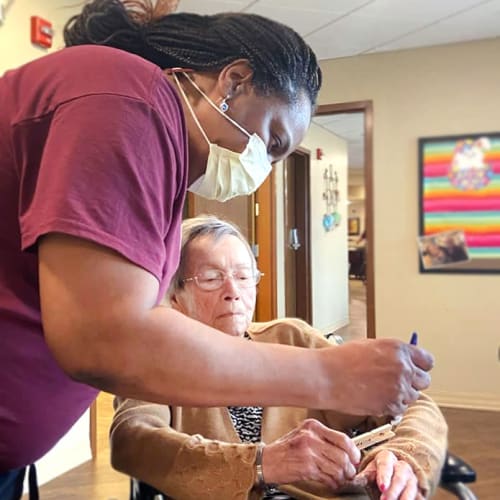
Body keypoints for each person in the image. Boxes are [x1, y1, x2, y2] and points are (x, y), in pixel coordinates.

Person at [0, 0, 434, 495]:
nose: (262, 170)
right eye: (271, 143)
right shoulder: (126, 97)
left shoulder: (155, 145)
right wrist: (330, 375)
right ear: (234, 81)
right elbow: (105, 336)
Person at [111, 215, 447, 500]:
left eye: (244, 277)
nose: (233, 292)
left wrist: (402, 457)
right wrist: (262, 463)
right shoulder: (157, 362)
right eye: (212, 278)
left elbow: (415, 405)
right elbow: (133, 439)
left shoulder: (291, 337)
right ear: (175, 295)